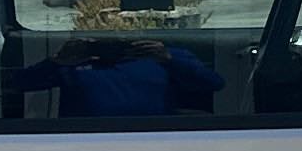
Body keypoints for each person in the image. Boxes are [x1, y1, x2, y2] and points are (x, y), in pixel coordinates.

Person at [15, 35, 221, 118]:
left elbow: (213, 83)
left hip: (155, 141)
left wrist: (169, 60)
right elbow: (19, 84)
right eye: (105, 36)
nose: (115, 40)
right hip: (84, 146)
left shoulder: (161, 55)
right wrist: (56, 61)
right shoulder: (74, 61)